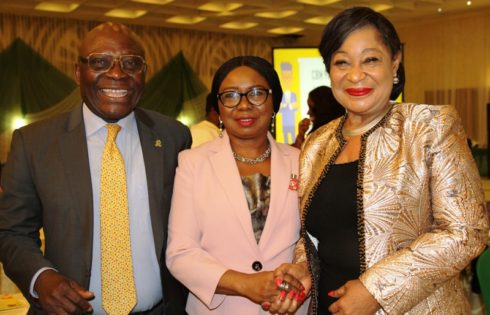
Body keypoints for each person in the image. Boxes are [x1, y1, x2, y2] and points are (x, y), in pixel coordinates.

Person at [279, 6, 490, 315]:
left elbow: (467, 231)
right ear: (330, 71)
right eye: (341, 62)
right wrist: (303, 267)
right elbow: (318, 234)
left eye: (371, 59)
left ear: (395, 63)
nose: (355, 74)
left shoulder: (428, 126)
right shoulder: (317, 143)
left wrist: (377, 290)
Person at [0, 22, 191, 314]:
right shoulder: (34, 143)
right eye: (100, 62)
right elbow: (12, 232)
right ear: (78, 72)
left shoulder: (173, 137)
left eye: (131, 63)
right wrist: (41, 278)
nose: (117, 73)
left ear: (144, 74)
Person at [166, 56, 308, 314]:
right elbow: (180, 253)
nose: (243, 105)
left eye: (256, 93)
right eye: (230, 96)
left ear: (274, 101)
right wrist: (245, 284)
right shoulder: (192, 163)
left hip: (289, 306)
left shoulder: (303, 161)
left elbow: (316, 241)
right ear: (218, 107)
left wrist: (301, 273)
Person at [279, 62, 299, 144]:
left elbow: (296, 108)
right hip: (284, 123)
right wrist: (283, 105)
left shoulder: (293, 95)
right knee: (285, 140)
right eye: (285, 77)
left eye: (288, 77)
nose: (287, 80)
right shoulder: (281, 95)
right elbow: (279, 111)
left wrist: (290, 105)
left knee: (293, 139)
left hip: (292, 122)